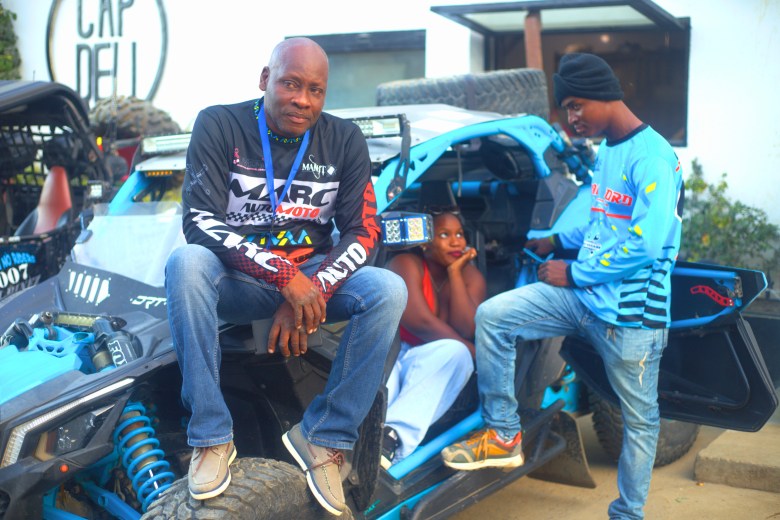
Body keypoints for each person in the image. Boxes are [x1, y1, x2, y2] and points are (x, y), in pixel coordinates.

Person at [165, 37, 406, 516]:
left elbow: (364, 232)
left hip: (312, 279)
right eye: (290, 84)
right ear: (264, 80)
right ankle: (212, 436)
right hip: (236, 278)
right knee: (185, 263)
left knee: (388, 289)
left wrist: (310, 289)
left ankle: (325, 437)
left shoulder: (344, 140)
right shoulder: (219, 123)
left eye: (315, 90)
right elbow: (200, 221)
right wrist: (282, 277)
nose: (302, 99)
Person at [440, 53, 683, 520]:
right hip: (583, 301)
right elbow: (602, 221)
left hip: (631, 319)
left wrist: (573, 272)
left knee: (639, 421)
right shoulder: (609, 151)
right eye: (565, 109)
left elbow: (645, 244)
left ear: (605, 95)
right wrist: (557, 240)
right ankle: (505, 434)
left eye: (575, 106)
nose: (571, 119)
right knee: (495, 316)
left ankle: (628, 514)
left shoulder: (653, 156)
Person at [382, 207, 486, 466]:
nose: (456, 241)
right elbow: (420, 323)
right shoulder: (406, 263)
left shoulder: (469, 275)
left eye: (460, 234)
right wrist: (479, 354)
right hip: (394, 351)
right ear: (426, 241)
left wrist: (454, 274)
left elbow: (465, 329)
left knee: (457, 353)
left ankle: (390, 442)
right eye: (444, 234)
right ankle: (365, 439)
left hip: (431, 362)